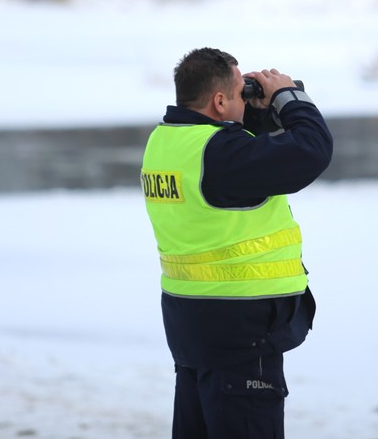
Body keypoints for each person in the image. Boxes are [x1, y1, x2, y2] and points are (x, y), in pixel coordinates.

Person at [140, 47, 333, 438]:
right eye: (237, 91)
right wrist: (288, 97)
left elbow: (239, 158)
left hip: (193, 328)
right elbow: (312, 150)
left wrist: (255, 112)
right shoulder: (220, 155)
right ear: (219, 100)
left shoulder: (166, 144)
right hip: (242, 335)